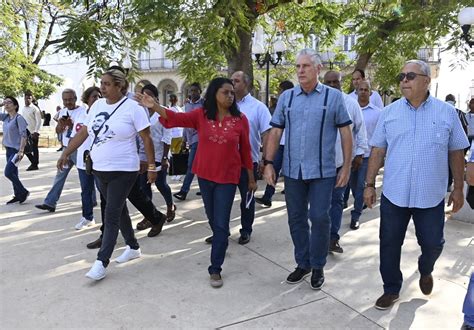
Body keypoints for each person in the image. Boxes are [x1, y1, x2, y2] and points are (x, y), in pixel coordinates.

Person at [364, 59, 470, 310]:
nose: (404, 81)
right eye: (401, 77)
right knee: (389, 243)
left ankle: (426, 269)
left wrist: (457, 188)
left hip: (430, 196)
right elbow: (378, 150)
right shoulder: (389, 113)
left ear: (426, 80)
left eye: (410, 76)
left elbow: (456, 151)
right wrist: (368, 185)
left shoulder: (446, 113)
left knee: (434, 243)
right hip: (394, 194)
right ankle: (391, 289)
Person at [136, 77, 256, 288]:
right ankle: (221, 238)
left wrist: (251, 178)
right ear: (214, 95)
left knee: (221, 222)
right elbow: (175, 118)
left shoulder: (240, 120)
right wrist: (154, 106)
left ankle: (215, 268)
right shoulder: (201, 115)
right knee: (212, 217)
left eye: (231, 93)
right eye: (225, 92)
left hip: (228, 178)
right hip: (205, 176)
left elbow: (245, 150)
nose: (230, 96)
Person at [264, 49, 353, 290]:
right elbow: (275, 131)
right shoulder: (287, 98)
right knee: (296, 218)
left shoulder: (333, 98)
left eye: (305, 66)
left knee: (319, 217)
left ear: (318, 69)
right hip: (293, 171)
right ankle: (303, 263)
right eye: (298, 66)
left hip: (323, 171)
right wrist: (268, 162)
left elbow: (346, 132)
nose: (300, 71)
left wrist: (346, 166)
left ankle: (318, 265)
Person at [58, 69, 157, 280]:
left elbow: (146, 139)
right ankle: (133, 247)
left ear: (120, 86)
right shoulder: (97, 105)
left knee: (110, 216)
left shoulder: (133, 108)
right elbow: (84, 132)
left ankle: (101, 262)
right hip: (98, 169)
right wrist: (66, 152)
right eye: (101, 83)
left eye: (107, 84)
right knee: (119, 211)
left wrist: (151, 166)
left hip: (124, 170)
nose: (102, 87)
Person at [322, 70, 368, 254]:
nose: (333, 85)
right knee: (318, 204)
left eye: (336, 82)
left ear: (341, 83)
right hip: (318, 164)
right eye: (329, 82)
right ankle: (319, 236)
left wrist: (359, 154)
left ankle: (333, 237)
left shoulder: (350, 103)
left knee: (337, 200)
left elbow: (360, 130)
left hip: (341, 162)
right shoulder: (317, 101)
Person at [35, 89, 86, 212]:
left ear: (75, 98)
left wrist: (71, 124)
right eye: (65, 100)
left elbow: (82, 130)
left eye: (70, 99)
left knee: (84, 178)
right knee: (59, 176)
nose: (68, 102)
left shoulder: (82, 111)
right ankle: (50, 203)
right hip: (65, 149)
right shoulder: (62, 112)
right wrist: (60, 125)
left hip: (78, 149)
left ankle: (89, 200)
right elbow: (58, 131)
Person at [137, 84, 176, 223]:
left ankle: (170, 206)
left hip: (160, 154)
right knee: (144, 185)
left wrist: (165, 157)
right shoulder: (140, 111)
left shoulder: (163, 112)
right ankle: (149, 215)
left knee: (160, 184)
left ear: (155, 97)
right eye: (143, 94)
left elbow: (167, 136)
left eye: (149, 95)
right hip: (143, 156)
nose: (146, 97)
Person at [346, 80, 381, 230]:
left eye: (366, 90)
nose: (363, 92)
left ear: (370, 93)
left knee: (360, 186)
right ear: (356, 91)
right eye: (360, 89)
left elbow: (380, 137)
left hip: (367, 156)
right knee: (353, 186)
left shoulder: (377, 113)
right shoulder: (349, 109)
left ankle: (356, 215)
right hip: (349, 155)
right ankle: (358, 203)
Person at [255, 80, 295, 207]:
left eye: (280, 90)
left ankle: (291, 197)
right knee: (274, 169)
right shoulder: (281, 105)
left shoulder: (295, 103)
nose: (278, 93)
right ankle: (267, 196)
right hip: (280, 143)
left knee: (289, 172)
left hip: (291, 143)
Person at [73, 86, 101, 230]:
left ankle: (110, 220)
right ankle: (87, 217)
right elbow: (75, 136)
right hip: (82, 160)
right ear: (87, 99)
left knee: (104, 191)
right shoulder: (80, 115)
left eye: (99, 96)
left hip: (99, 159)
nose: (97, 99)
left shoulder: (103, 115)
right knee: (86, 190)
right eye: (94, 96)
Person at [173, 82, 204, 200]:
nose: (193, 93)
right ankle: (205, 188)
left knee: (191, 165)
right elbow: (186, 123)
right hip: (191, 139)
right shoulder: (187, 105)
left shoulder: (204, 104)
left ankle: (183, 191)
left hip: (200, 138)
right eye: (191, 91)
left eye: (195, 91)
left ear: (200, 91)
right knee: (199, 165)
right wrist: (184, 140)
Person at [1, 96, 30, 204]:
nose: (6, 104)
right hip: (8, 149)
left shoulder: (19, 118)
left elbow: (24, 135)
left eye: (9, 102)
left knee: (8, 172)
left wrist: (21, 151)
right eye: (5, 103)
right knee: (14, 173)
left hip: (16, 150)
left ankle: (23, 191)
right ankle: (18, 195)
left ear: (15, 105)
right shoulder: (6, 117)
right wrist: (1, 104)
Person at [20, 91, 42, 171]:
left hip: (33, 132)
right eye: (26, 98)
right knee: (25, 148)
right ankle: (34, 162)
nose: (27, 99)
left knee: (34, 148)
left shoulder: (35, 109)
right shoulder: (23, 109)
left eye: (29, 98)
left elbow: (39, 121)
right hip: (25, 132)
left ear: (32, 98)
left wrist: (36, 132)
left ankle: (35, 164)